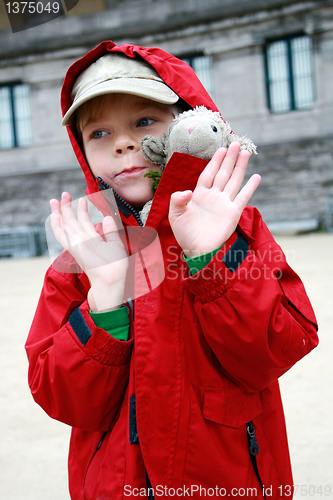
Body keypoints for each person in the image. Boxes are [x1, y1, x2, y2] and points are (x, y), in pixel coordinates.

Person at [26, 40, 318, 500]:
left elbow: (280, 348)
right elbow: (63, 400)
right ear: (82, 150)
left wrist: (211, 261)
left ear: (187, 122)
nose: (122, 142)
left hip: (227, 479)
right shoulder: (84, 251)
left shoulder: (236, 228)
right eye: (99, 133)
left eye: (144, 121)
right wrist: (103, 300)